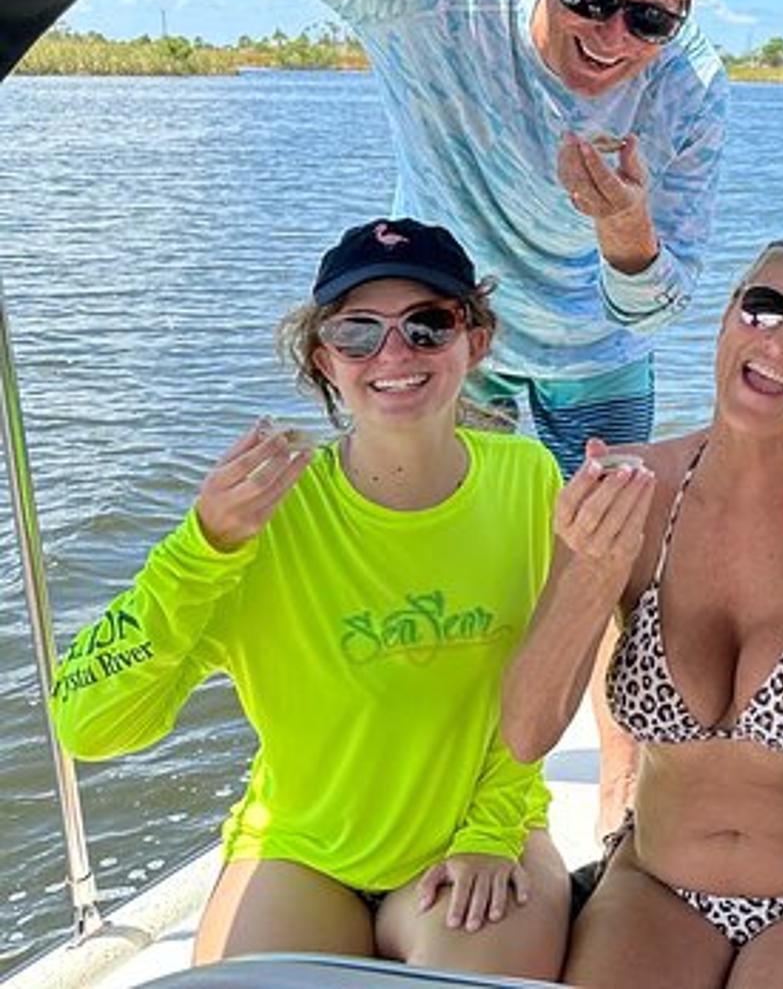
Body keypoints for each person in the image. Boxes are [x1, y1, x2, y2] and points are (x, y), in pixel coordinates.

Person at [49, 217, 651, 975]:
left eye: (429, 325)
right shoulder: (267, 510)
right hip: (302, 849)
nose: (394, 354)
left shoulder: (526, 477)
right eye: (356, 332)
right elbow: (87, 722)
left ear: (477, 340)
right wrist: (199, 549)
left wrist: (492, 829)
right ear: (323, 357)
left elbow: (542, 683)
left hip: (476, 832)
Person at [501, 233, 783, 987]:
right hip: (659, 882)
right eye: (764, 307)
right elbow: (526, 732)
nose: (782, 338)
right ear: (727, 320)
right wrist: (593, 573)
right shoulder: (627, 492)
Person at [217, 0, 726, 475]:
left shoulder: (690, 88)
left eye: (650, 21)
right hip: (445, 329)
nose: (612, 37)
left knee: (601, 535)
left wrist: (622, 225)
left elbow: (662, 308)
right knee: (438, 522)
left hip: (599, 354)